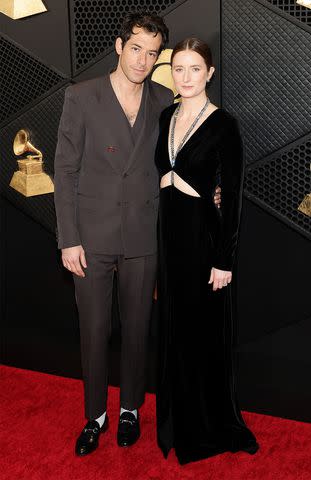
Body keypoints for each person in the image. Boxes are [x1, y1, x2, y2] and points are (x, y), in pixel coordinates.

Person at [155, 38, 259, 465]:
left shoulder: (224, 125)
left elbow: (232, 196)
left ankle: (205, 424)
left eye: (194, 68)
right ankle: (177, 420)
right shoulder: (166, 116)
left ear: (210, 73)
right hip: (169, 239)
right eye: (178, 68)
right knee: (175, 329)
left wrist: (224, 258)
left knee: (203, 333)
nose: (186, 76)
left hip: (205, 242)